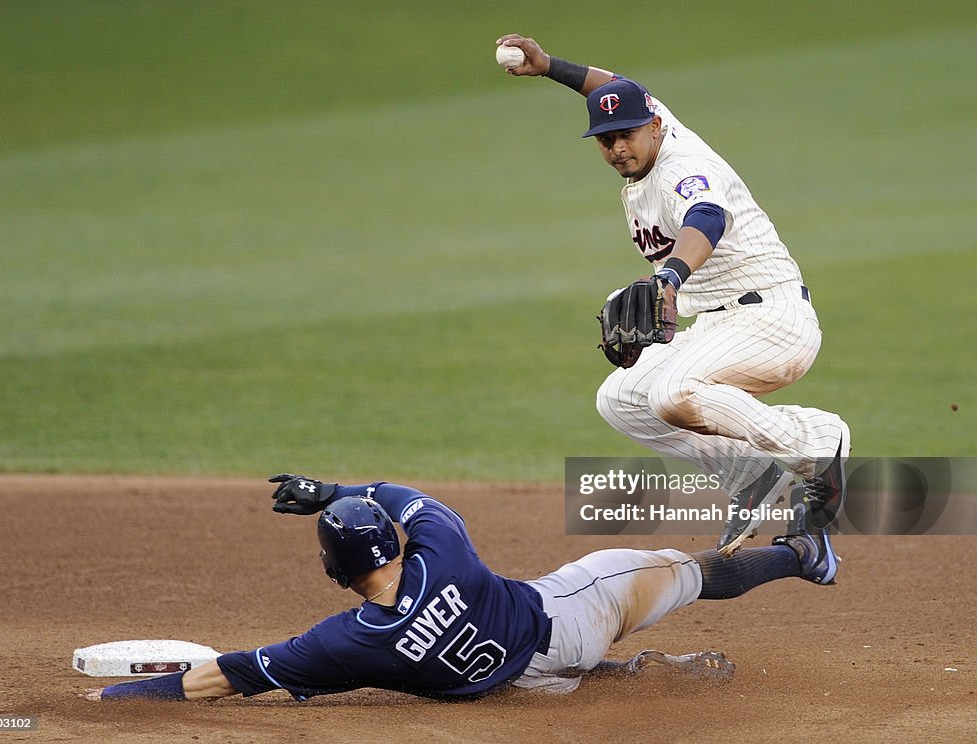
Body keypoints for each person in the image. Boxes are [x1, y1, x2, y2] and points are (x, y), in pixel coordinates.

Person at [495, 34, 852, 556]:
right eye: (605, 138)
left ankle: (817, 443)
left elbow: (707, 217)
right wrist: (548, 65)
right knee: (620, 399)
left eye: (628, 135)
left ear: (656, 126)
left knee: (672, 394)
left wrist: (671, 277)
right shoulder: (653, 123)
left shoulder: (683, 169)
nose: (618, 147)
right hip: (718, 321)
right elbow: (616, 87)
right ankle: (752, 477)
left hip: (773, 318)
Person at [86, 473, 838, 702]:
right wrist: (332, 490)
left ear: (331, 570)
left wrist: (110, 703)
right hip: (577, 612)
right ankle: (806, 553)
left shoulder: (342, 644)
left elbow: (228, 675)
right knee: (698, 571)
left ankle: (616, 676)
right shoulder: (441, 550)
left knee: (524, 681)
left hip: (519, 680)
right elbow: (403, 492)